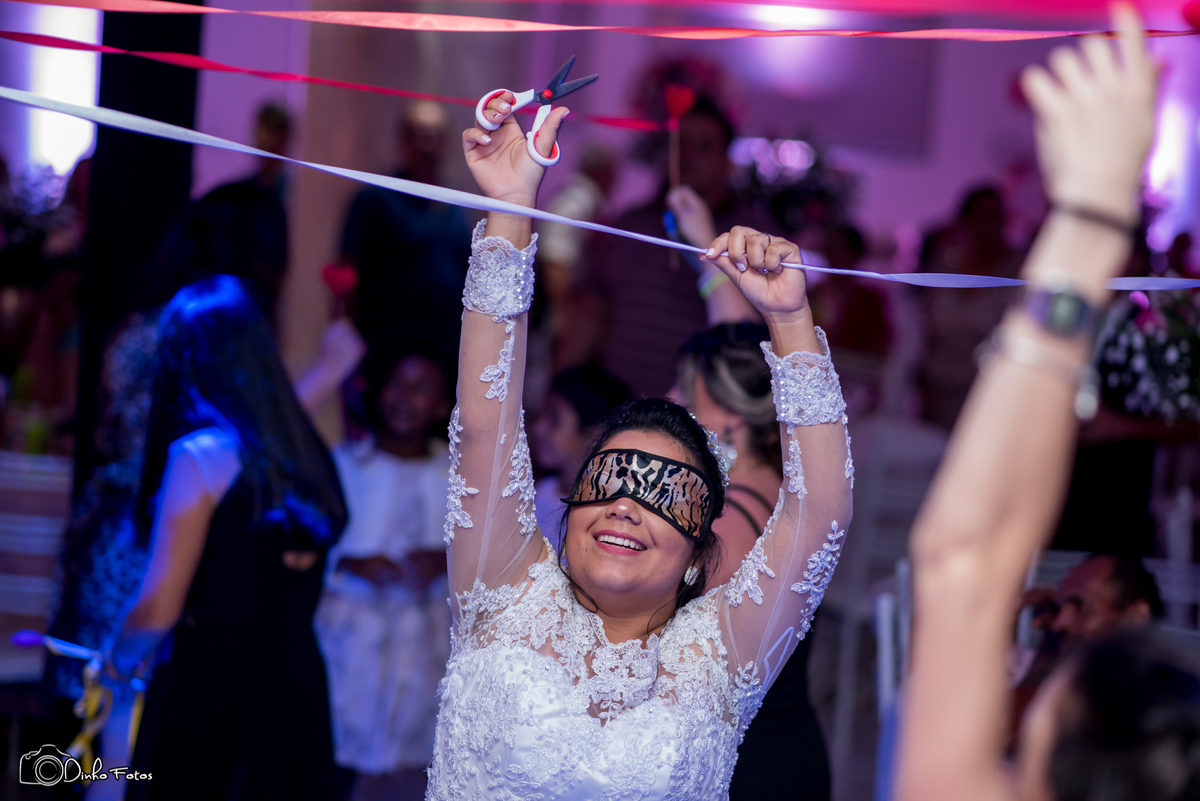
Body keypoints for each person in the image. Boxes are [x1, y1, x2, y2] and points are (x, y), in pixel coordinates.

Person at [427, 87, 852, 799]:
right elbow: (483, 424)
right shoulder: (501, 587)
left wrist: (790, 320)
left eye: (663, 493)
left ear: (699, 552)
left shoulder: (718, 656)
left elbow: (820, 517)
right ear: (571, 505)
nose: (627, 504)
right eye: (610, 479)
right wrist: (510, 208)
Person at [895, 9, 1200, 801]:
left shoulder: (1163, 321)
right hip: (1065, 489)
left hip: (1106, 486)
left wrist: (1088, 216)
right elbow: (970, 561)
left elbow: (965, 561)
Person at [102, 275, 348, 799]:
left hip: (212, 690)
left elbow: (158, 609)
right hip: (296, 679)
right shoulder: (304, 453)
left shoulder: (200, 457)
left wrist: (114, 661)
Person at [314, 344, 454, 800]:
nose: (405, 396)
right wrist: (350, 562)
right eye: (397, 383)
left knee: (403, 767)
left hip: (421, 640)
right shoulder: (346, 465)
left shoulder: (455, 474)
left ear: (442, 405)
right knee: (333, 752)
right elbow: (311, 546)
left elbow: (481, 552)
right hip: (349, 634)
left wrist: (443, 559)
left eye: (421, 388)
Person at [572, 98, 776, 396]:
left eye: (704, 147)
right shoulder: (630, 224)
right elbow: (591, 309)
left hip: (700, 403)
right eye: (680, 144)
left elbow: (759, 332)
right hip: (617, 398)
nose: (688, 156)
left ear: (726, 161)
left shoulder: (750, 236)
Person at [339, 101, 472, 361]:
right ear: (405, 140)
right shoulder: (376, 198)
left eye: (437, 135)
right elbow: (347, 272)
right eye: (422, 134)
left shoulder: (457, 203)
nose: (430, 144)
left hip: (445, 353)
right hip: (386, 351)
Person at [531, 364, 632, 547]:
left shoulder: (601, 516)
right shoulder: (542, 490)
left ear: (594, 434)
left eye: (554, 418)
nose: (539, 428)